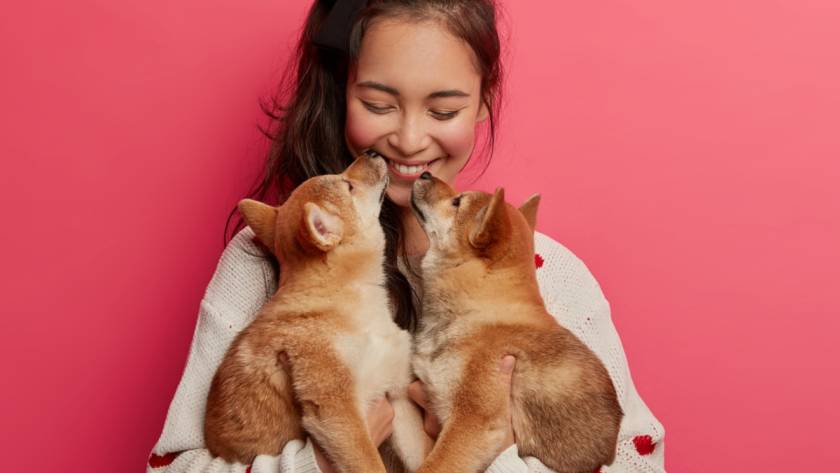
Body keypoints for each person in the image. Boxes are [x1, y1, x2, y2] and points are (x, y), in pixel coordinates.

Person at [146, 1, 666, 472]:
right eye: (378, 104)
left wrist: (488, 453)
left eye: (444, 111)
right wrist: (319, 464)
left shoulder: (546, 273)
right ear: (342, 91)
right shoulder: (266, 258)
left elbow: (638, 461)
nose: (411, 140)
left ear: (484, 100)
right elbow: (171, 465)